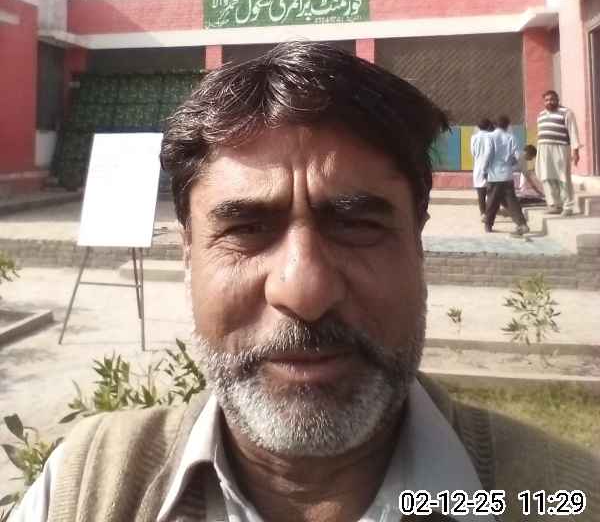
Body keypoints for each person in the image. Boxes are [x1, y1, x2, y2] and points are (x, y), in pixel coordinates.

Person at [13, 43, 598, 522]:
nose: (304, 291)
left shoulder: (563, 497)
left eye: (357, 225)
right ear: (189, 254)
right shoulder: (82, 490)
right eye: (246, 229)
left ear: (416, 243)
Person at [536, 90, 581, 216]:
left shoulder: (567, 113)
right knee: (547, 177)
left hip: (560, 148)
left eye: (552, 99)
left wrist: (575, 151)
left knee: (563, 177)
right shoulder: (541, 115)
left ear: (557, 100)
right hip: (544, 149)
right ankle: (554, 205)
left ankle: (568, 206)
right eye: (546, 100)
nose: (549, 102)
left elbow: (573, 132)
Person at [482, 115, 530, 236]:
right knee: (512, 201)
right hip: (507, 175)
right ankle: (522, 224)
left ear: (495, 125)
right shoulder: (511, 137)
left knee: (492, 200)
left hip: (494, 174)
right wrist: (512, 164)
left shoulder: (490, 137)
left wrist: (484, 170)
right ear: (507, 125)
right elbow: (517, 156)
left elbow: (488, 154)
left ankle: (488, 224)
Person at [470, 118, 493, 222]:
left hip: (478, 167)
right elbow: (490, 152)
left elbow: (473, 152)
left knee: (481, 193)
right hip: (490, 167)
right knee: (491, 193)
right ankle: (490, 212)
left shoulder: (474, 137)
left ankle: (483, 213)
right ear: (488, 126)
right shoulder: (491, 136)